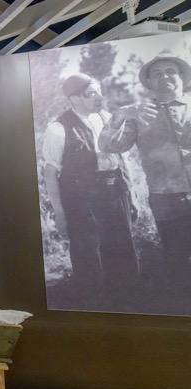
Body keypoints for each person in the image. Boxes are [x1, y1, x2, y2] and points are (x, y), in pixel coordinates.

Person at [99, 51, 191, 285]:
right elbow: (108, 146)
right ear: (149, 82)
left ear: (182, 77)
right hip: (165, 199)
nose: (164, 77)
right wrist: (121, 115)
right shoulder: (138, 114)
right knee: (177, 260)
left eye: (170, 72)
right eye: (157, 74)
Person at [43, 73, 138, 291]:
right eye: (92, 93)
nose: (99, 97)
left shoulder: (107, 118)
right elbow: (50, 173)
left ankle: (128, 300)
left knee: (123, 251)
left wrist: (131, 194)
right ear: (74, 98)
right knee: (90, 258)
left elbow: (122, 159)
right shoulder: (58, 128)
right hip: (82, 202)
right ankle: (93, 304)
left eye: (99, 92)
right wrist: (60, 214)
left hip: (115, 194)